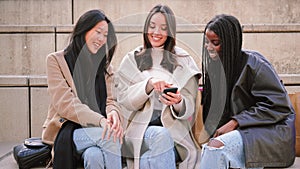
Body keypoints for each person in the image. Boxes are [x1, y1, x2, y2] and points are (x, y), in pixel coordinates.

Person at [200, 14, 296, 169]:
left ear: (230, 43)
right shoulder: (216, 68)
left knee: (214, 147)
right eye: (207, 41)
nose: (208, 46)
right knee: (211, 147)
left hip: (270, 132)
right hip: (244, 131)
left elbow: (280, 106)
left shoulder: (256, 65)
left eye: (215, 42)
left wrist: (236, 121)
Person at [116, 4, 201, 169]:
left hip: (176, 136)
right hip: (140, 133)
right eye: (152, 26)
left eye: (163, 28)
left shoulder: (184, 60)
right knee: (159, 136)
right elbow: (124, 100)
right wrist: (148, 85)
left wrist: (178, 101)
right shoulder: (132, 59)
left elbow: (190, 107)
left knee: (149, 160)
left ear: (170, 31)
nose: (156, 33)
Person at [41, 9, 123, 169]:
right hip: (67, 132)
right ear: (84, 30)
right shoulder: (56, 61)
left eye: (105, 35)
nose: (101, 39)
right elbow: (65, 104)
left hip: (96, 131)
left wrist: (113, 112)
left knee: (94, 157)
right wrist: (100, 120)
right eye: (98, 32)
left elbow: (111, 100)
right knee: (111, 137)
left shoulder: (105, 67)